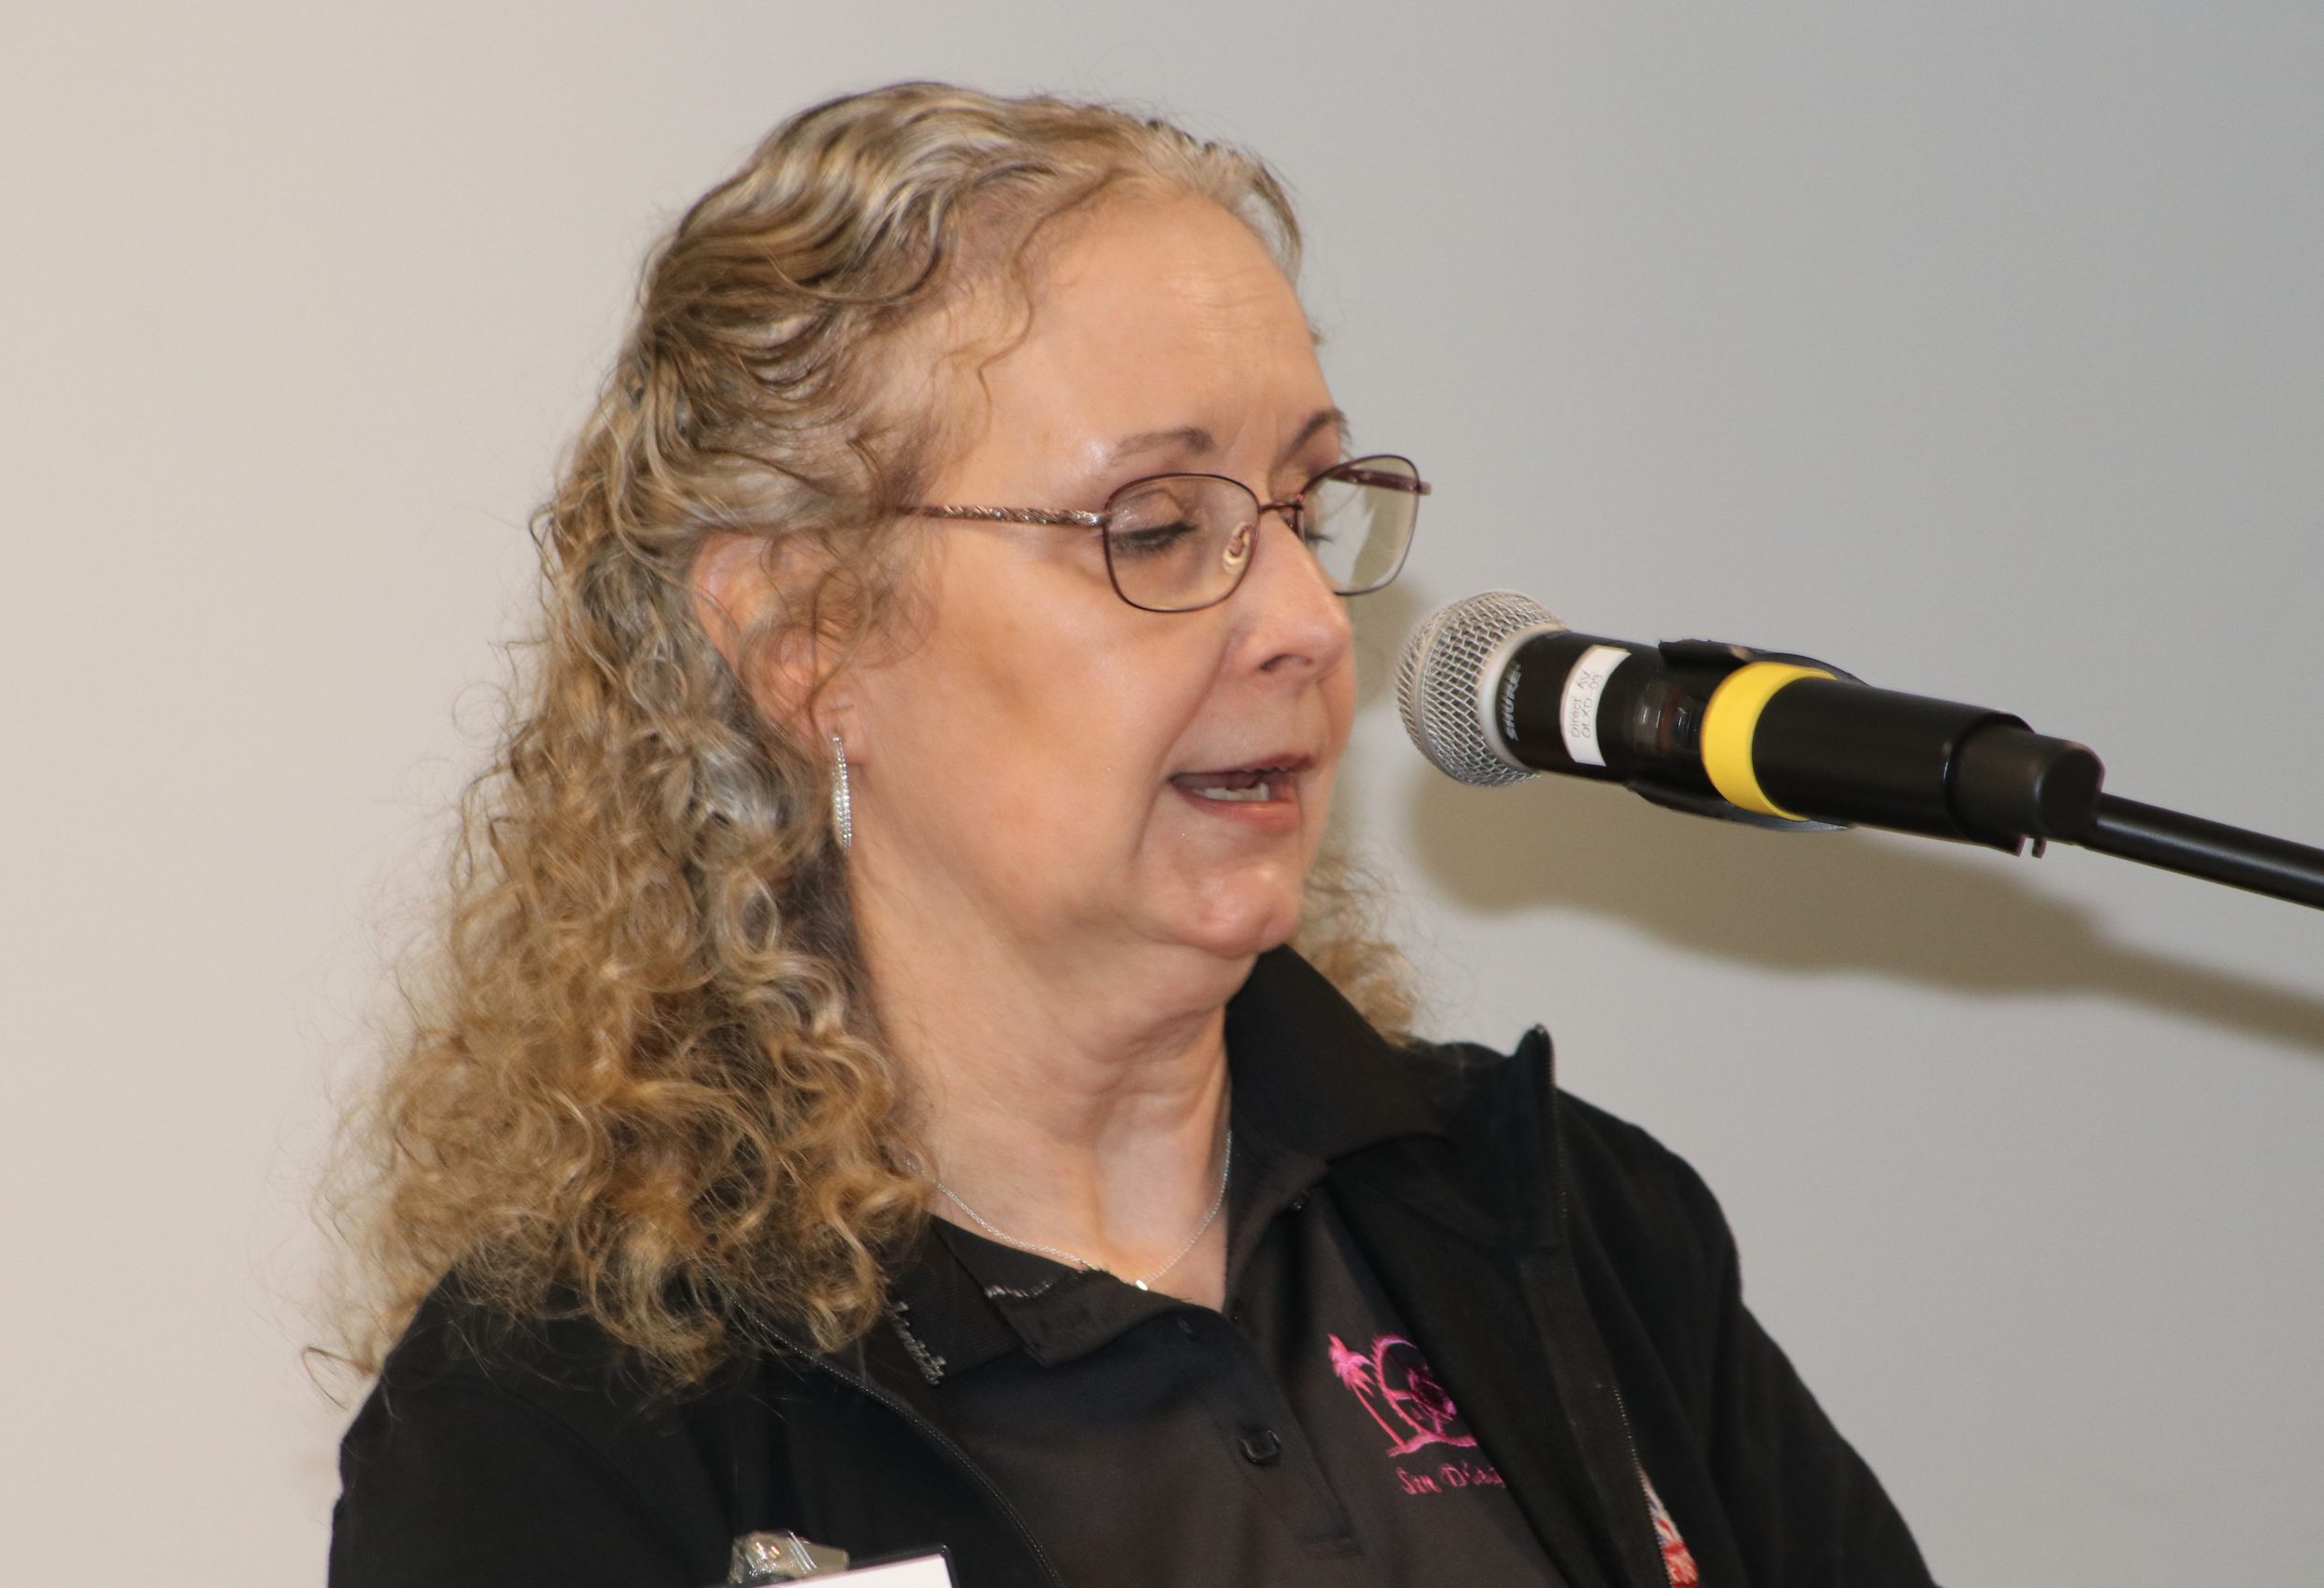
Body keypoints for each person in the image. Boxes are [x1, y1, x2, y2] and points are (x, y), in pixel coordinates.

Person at [325, 82, 1935, 1588]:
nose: (1307, 622)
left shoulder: (1565, 1227)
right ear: (804, 637)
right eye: (1158, 527)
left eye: (1307, 510)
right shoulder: (566, 1420)